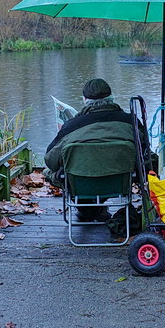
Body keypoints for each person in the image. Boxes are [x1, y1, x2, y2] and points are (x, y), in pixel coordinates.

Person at [44, 78, 149, 222]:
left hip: (81, 184)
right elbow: (146, 155)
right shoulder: (130, 121)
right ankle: (94, 210)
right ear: (112, 98)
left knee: (51, 172)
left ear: (85, 100)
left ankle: (87, 208)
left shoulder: (72, 126)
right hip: (120, 183)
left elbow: (50, 160)